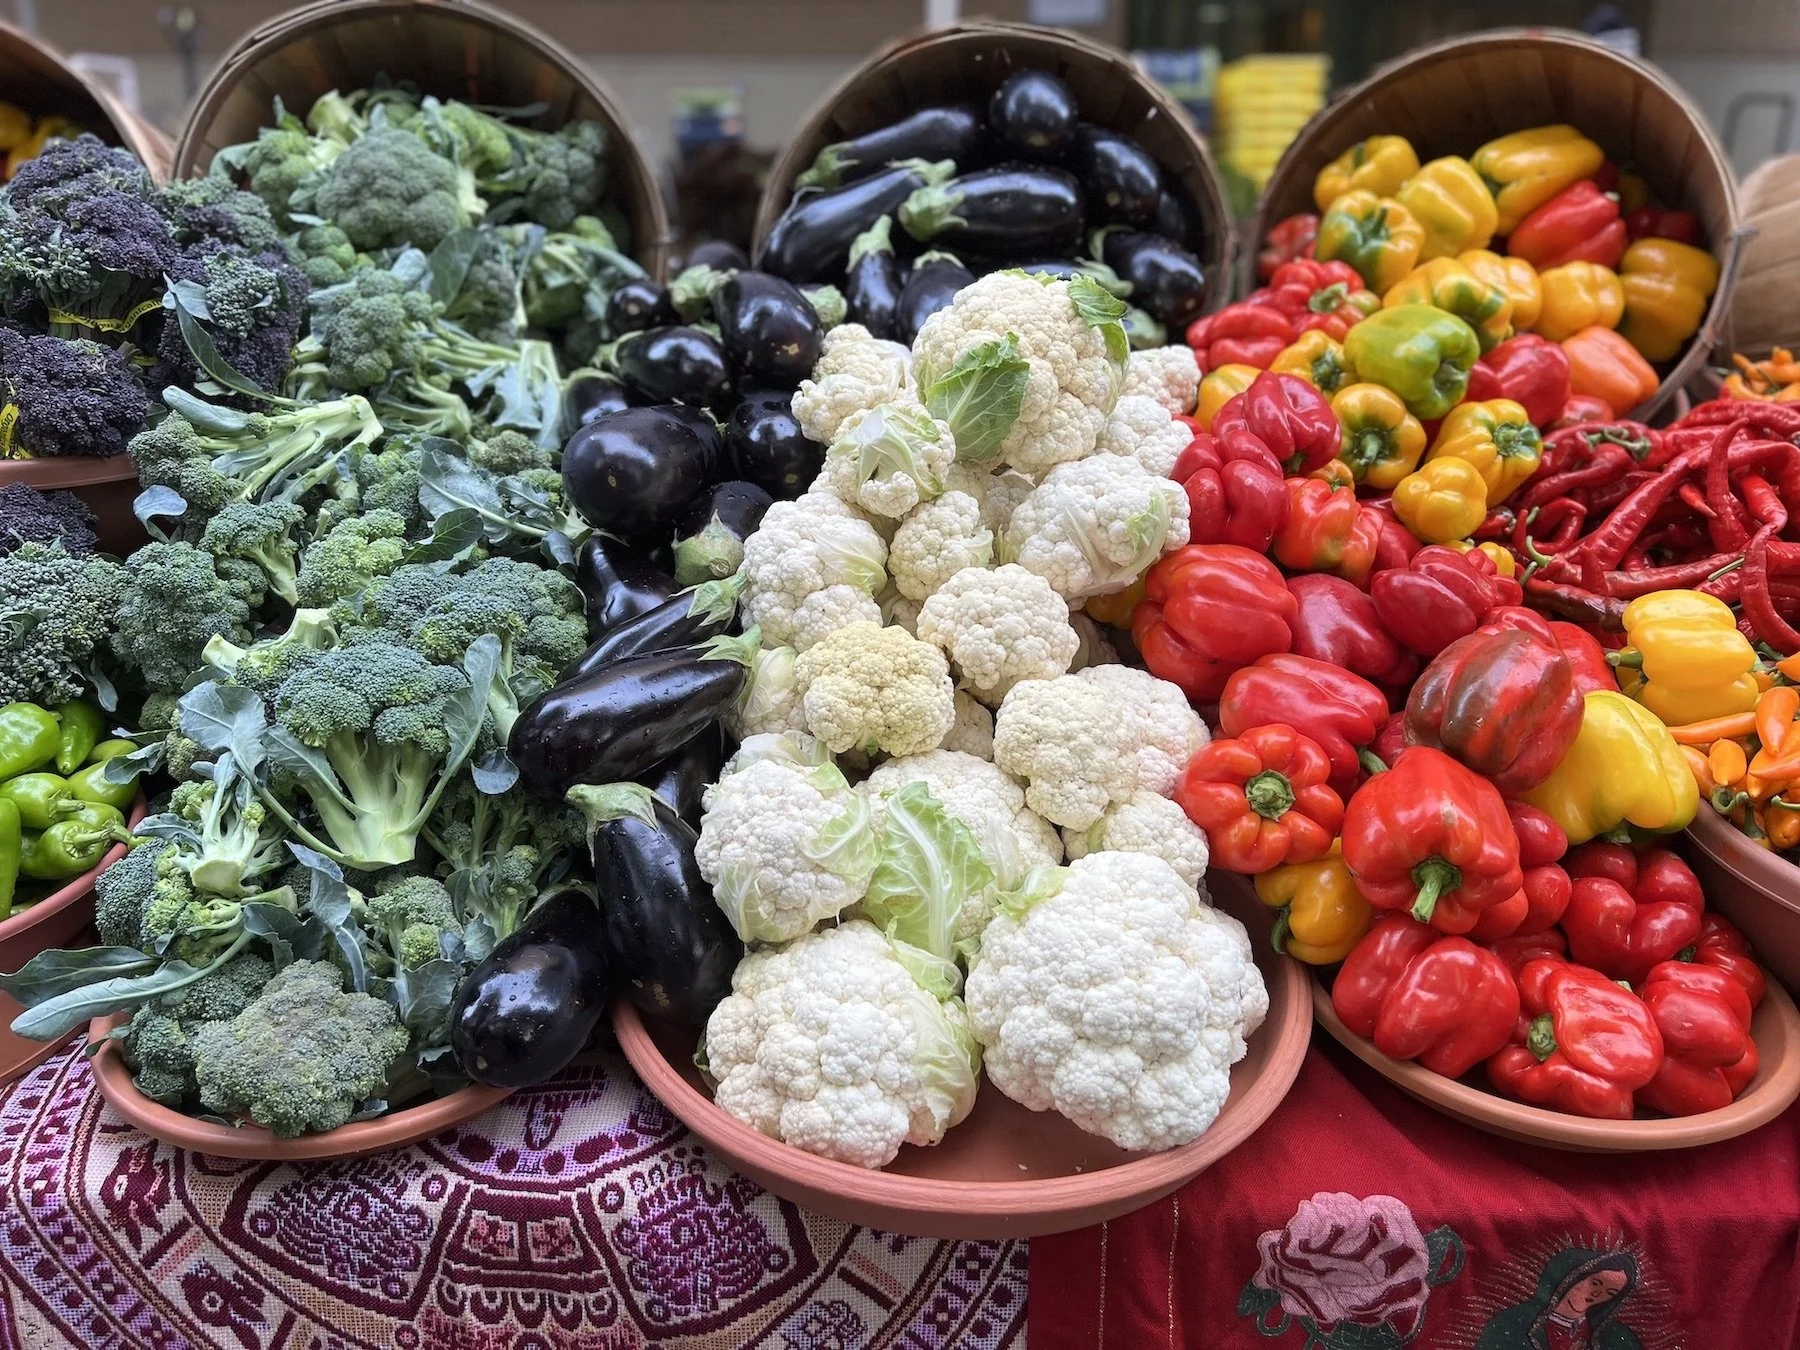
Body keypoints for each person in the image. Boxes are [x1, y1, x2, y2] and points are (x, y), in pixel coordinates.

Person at [1473, 1246, 1643, 1350]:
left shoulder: (1608, 1336)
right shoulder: (1515, 1322)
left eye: (1610, 1293)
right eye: (1595, 1283)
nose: (1596, 1294)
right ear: (1573, 1278)